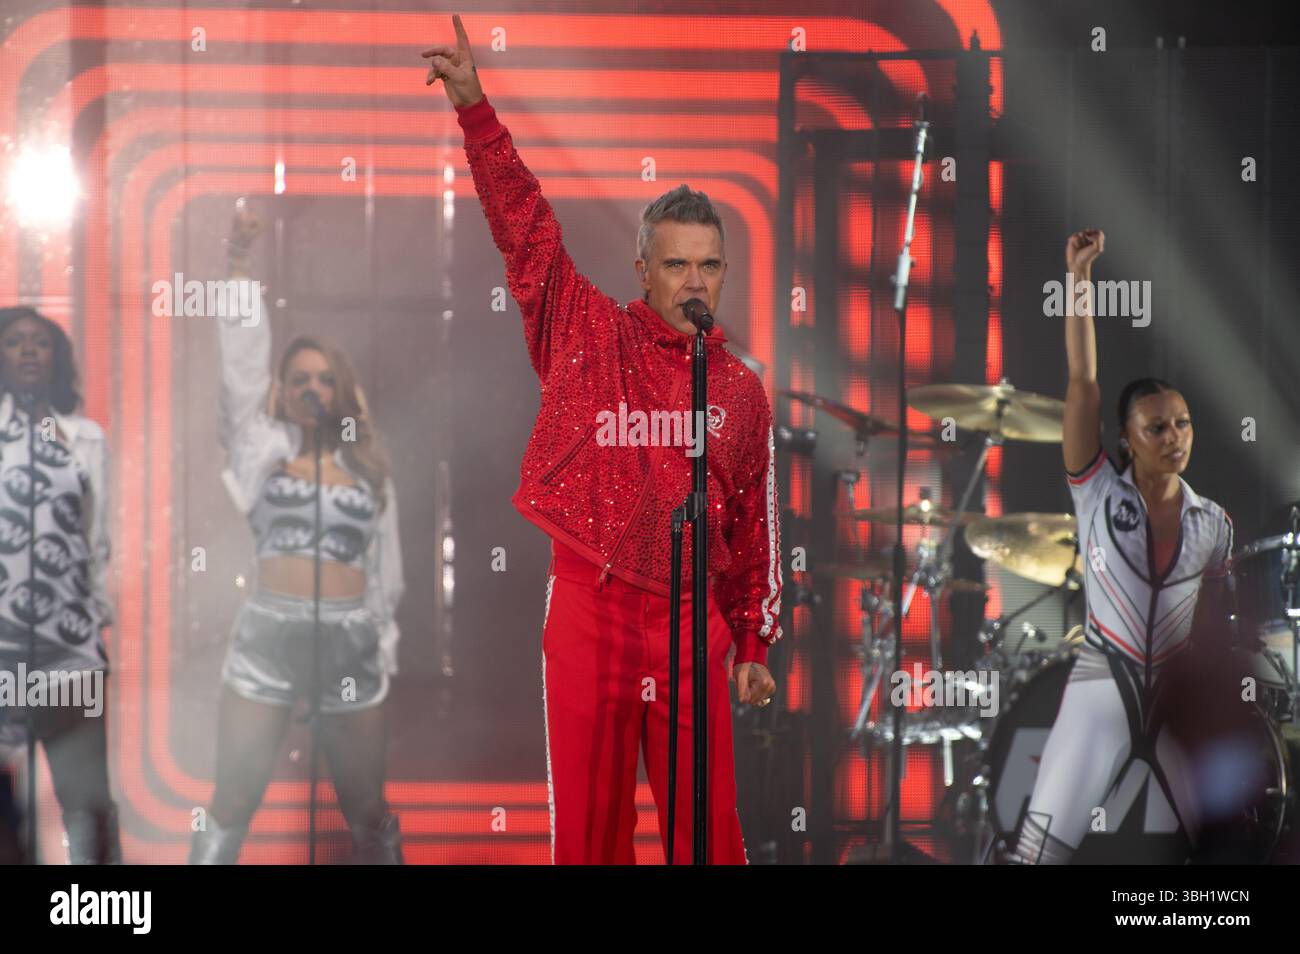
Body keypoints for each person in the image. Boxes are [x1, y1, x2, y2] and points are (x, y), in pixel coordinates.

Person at [424, 14, 782, 864]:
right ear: (643, 271)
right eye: (676, 264)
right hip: (592, 604)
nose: (694, 281)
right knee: (589, 838)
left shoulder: (739, 388)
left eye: (709, 266)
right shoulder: (585, 332)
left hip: (695, 623)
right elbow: (527, 232)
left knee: (710, 840)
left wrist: (753, 640)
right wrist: (477, 111)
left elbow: (752, 530)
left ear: (724, 274)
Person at [188, 206, 406, 864]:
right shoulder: (262, 449)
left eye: (325, 378)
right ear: (283, 392)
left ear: (342, 391)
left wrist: (381, 646)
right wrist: (235, 265)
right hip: (269, 636)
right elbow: (240, 371)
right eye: (300, 379)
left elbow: (387, 576)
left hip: (349, 641)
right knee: (232, 799)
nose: (313, 388)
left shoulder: (367, 467)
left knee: (366, 807)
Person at [1009, 229, 1233, 864]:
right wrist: (1079, 278)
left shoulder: (1214, 524)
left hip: (1179, 697)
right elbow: (1083, 380)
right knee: (1036, 856)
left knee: (1224, 860)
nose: (1174, 436)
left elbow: (1224, 624)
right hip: (1101, 682)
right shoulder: (1097, 490)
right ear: (1127, 439)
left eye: (1183, 423)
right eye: (1156, 427)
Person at [0, 305, 118, 863]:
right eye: (15, 341)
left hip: (68, 646)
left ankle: (97, 916)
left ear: (56, 359)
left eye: (39, 343)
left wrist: (96, 620)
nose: (27, 350)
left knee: (86, 801)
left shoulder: (85, 438)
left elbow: (100, 540)